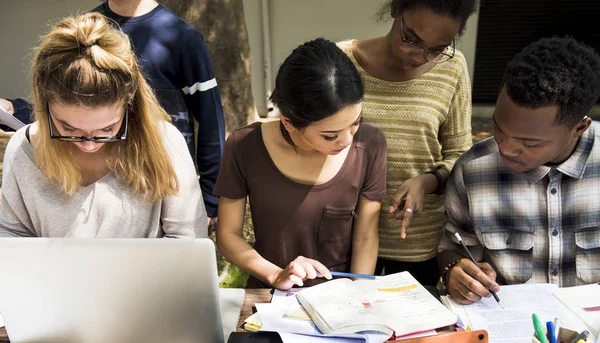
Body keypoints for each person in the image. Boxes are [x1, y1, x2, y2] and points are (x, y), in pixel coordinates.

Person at [2, 0, 225, 232]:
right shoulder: (84, 32)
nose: (88, 145)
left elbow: (211, 120)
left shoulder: (181, 38)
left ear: (132, 104)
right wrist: (16, 108)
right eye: (68, 130)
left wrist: (211, 199)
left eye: (107, 130)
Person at [438, 36, 600, 304]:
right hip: (509, 330)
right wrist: (456, 271)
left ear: (579, 128)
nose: (506, 148)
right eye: (499, 128)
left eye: (530, 143)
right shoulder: (473, 170)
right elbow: (452, 248)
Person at [214, 38, 387, 290]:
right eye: (330, 135)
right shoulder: (244, 146)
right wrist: (275, 275)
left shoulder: (370, 145)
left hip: (340, 299)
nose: (348, 140)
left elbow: (365, 236)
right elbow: (228, 236)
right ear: (288, 122)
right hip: (269, 299)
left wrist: (357, 296)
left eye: (356, 122)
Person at [338, 0, 476, 285]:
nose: (419, 56)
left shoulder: (453, 68)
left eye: (438, 49)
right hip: (344, 237)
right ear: (395, 10)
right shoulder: (340, 62)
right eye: (411, 39)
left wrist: (428, 182)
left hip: (418, 242)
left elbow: (460, 156)